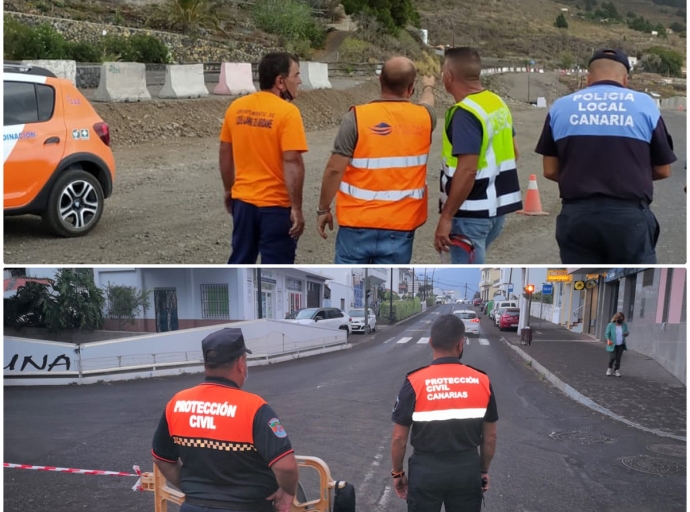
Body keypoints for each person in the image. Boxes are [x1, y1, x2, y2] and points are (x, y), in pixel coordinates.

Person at [535, 48, 677, 264]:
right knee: (633, 286)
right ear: (625, 79)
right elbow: (663, 170)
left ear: (589, 78)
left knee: (584, 287)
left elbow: (550, 170)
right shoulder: (645, 105)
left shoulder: (560, 107)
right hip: (629, 218)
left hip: (577, 216)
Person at [151, 328, 299, 512]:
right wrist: (288, 492)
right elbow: (286, 466)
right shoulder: (254, 408)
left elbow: (162, 459)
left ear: (206, 364)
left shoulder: (177, 403)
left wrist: (197, 492)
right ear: (240, 363)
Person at [316, 56, 437, 264]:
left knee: (349, 281)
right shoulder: (425, 118)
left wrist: (323, 209)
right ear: (411, 88)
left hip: (356, 225)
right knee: (386, 287)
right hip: (400, 227)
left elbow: (334, 170)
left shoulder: (356, 118)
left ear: (379, 80)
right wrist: (428, 87)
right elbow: (428, 103)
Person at [390, 314, 498, 512]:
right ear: (461, 344)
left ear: (431, 343)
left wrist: (398, 474)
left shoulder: (415, 381)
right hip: (467, 470)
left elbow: (399, 438)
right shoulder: (482, 381)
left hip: (426, 471)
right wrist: (482, 471)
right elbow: (490, 437)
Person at [433, 47, 522, 264]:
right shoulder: (496, 103)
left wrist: (446, 217)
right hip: (495, 212)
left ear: (448, 76)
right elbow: (514, 152)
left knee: (466, 277)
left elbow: (468, 169)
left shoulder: (465, 113)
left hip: (470, 214)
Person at [219, 52, 308, 264]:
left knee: (240, 263)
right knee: (276, 271)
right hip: (276, 208)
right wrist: (296, 208)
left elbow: (225, 152)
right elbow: (292, 161)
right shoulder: (288, 113)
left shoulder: (236, 107)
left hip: (243, 205)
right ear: (280, 81)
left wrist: (229, 189)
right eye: (296, 75)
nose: (300, 80)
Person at [605, 312, 629, 377]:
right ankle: (609, 369)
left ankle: (616, 370)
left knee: (618, 358)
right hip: (612, 344)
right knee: (612, 357)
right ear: (616, 318)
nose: (620, 319)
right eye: (619, 318)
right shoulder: (610, 325)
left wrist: (626, 333)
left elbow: (627, 332)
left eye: (621, 318)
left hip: (620, 344)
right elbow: (607, 334)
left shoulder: (624, 325)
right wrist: (608, 340)